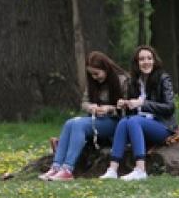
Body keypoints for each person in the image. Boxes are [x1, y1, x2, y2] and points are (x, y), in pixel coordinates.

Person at [41, 51, 130, 181]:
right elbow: (84, 102)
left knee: (78, 125)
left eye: (97, 73)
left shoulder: (122, 81)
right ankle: (56, 167)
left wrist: (109, 109)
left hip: (116, 122)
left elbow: (128, 108)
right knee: (70, 123)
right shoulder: (93, 82)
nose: (94, 77)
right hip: (97, 119)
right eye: (91, 74)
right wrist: (90, 107)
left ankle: (68, 169)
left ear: (105, 68)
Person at [100, 45, 176, 181]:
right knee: (124, 121)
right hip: (141, 125)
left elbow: (169, 107)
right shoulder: (134, 81)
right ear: (136, 63)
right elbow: (132, 110)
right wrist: (125, 104)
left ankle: (140, 170)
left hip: (163, 126)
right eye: (141, 59)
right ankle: (112, 169)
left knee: (134, 120)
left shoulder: (163, 78)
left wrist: (142, 103)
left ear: (154, 60)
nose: (146, 62)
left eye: (149, 58)